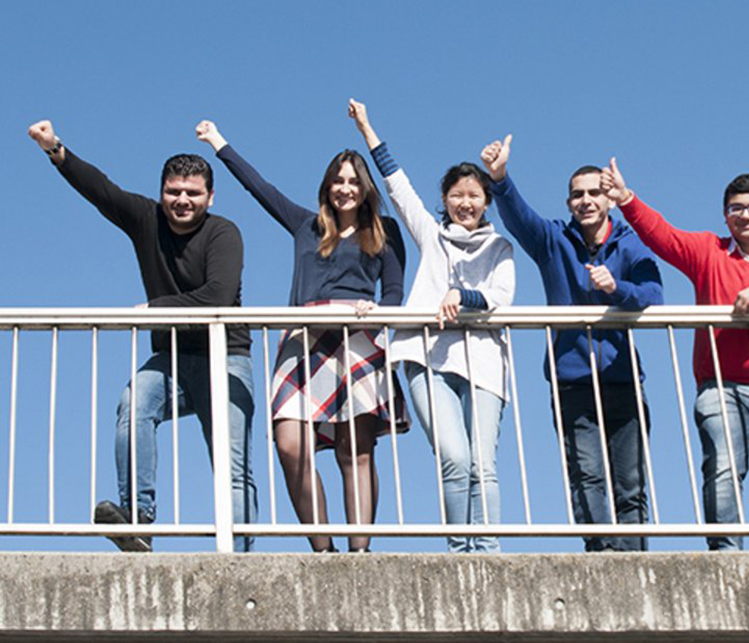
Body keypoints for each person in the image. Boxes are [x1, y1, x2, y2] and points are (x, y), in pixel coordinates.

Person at [27, 120, 257, 552]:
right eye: (173, 192)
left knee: (233, 467)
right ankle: (137, 519)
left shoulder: (223, 233)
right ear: (161, 193)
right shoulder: (147, 220)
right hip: (170, 357)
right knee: (134, 404)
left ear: (209, 197)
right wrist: (54, 148)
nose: (182, 200)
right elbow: (103, 191)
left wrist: (155, 309)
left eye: (192, 193)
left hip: (225, 357)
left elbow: (217, 296)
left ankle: (240, 557)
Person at [196, 121, 407, 553]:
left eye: (353, 181)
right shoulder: (305, 226)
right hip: (304, 341)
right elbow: (261, 188)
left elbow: (395, 293)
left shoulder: (384, 232)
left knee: (356, 451)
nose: (345, 188)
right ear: (327, 186)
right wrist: (220, 144)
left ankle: (360, 554)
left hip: (357, 340)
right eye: (338, 181)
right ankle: (323, 550)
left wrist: (379, 312)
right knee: (291, 444)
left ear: (364, 188)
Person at [604, 160, 749, 550]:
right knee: (722, 473)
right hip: (721, 386)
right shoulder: (709, 250)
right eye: (736, 208)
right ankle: (727, 561)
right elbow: (664, 237)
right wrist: (626, 199)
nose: (745, 215)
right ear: (725, 215)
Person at [479, 134, 663, 551]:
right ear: (568, 204)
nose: (586, 201)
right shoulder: (553, 241)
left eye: (595, 193)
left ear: (610, 200)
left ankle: (633, 563)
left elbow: (654, 294)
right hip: (572, 383)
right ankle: (601, 558)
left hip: (622, 379)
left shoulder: (631, 243)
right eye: (577, 195)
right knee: (587, 478)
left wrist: (618, 290)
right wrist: (500, 178)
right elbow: (520, 218)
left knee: (630, 483)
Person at [349, 100, 515, 553]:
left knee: (484, 463)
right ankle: (462, 553)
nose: (465, 202)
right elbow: (397, 184)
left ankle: (490, 553)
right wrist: (368, 128)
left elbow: (501, 298)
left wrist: (464, 297)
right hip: (425, 356)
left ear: (486, 203)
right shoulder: (431, 234)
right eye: (457, 195)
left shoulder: (499, 246)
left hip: (482, 360)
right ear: (444, 200)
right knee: (455, 459)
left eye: (474, 195)